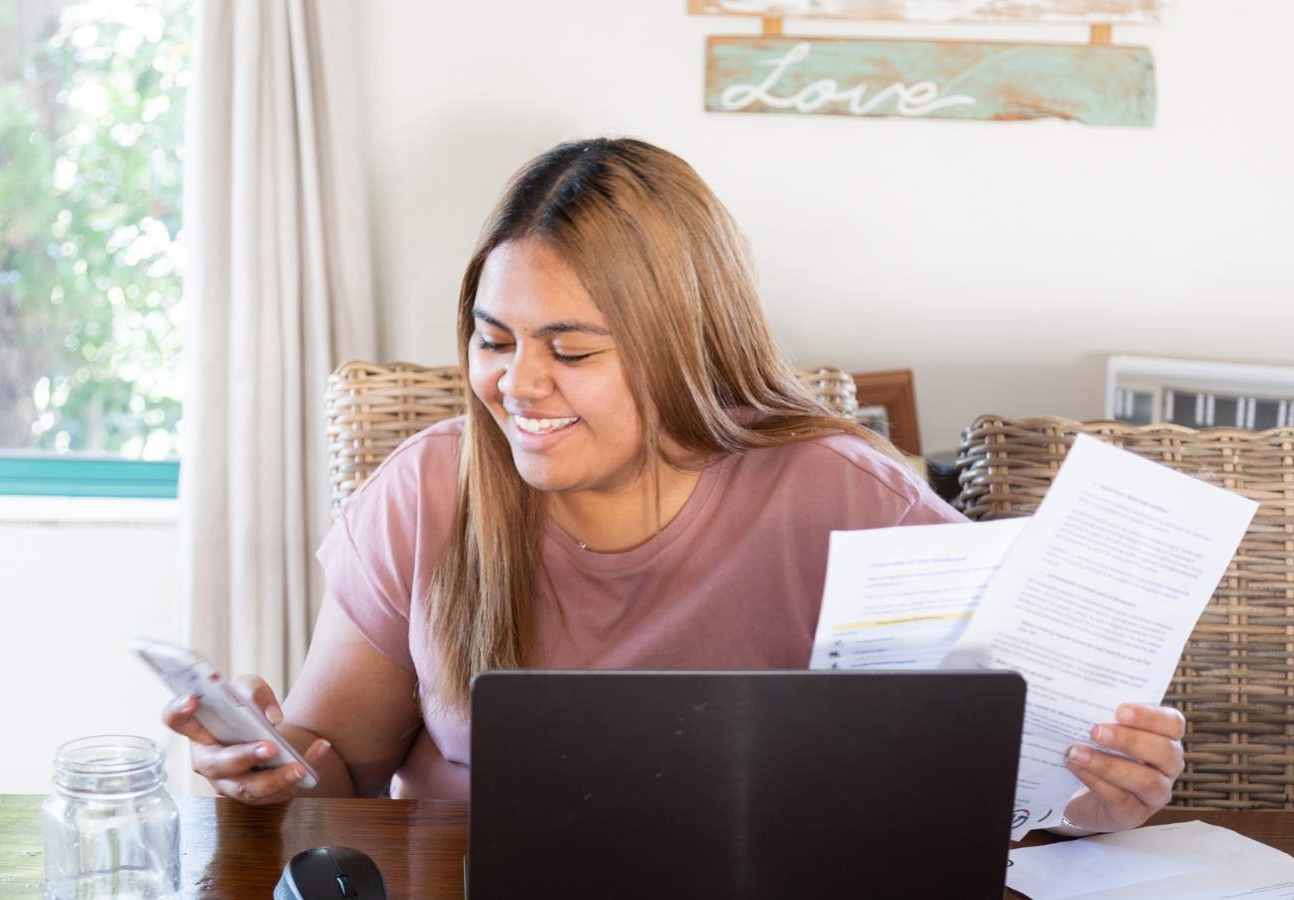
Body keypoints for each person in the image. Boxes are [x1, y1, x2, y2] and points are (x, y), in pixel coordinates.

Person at [164, 137, 1185, 835]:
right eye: (493, 338)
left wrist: (1092, 794)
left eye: (570, 348)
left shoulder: (846, 498)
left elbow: (987, 787)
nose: (517, 385)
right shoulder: (429, 490)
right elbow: (331, 772)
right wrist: (269, 763)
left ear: (682, 349)